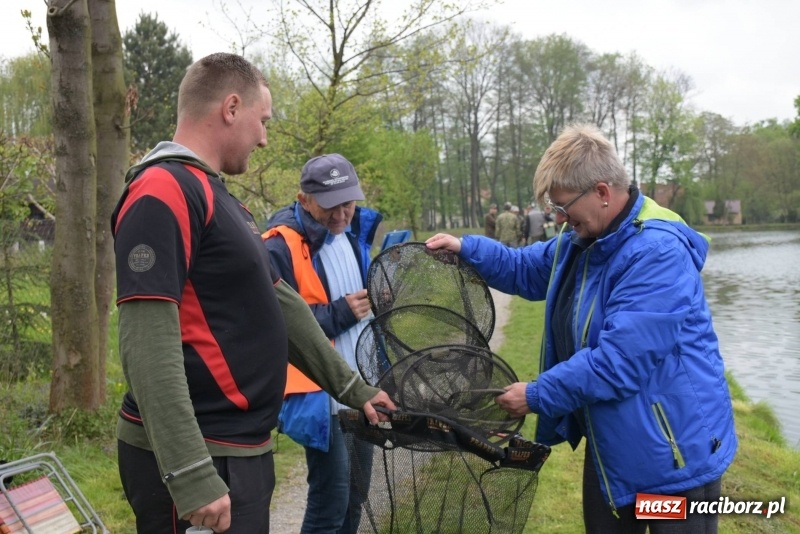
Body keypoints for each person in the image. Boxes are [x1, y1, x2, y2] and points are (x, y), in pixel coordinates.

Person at [111, 53, 394, 534]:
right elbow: (146, 338)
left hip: (237, 451)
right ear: (231, 107)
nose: (264, 137)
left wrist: (354, 390)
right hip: (203, 461)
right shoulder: (161, 190)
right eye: (262, 121)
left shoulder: (222, 200)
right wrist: (190, 472)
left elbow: (279, 302)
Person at [426, 123, 737, 533]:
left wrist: (538, 395)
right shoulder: (584, 239)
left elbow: (619, 360)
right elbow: (528, 268)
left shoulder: (657, 252)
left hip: (675, 458)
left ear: (603, 193)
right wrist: (466, 248)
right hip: (615, 446)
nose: (558, 217)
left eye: (562, 205)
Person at [263, 153, 380, 534]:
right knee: (329, 503)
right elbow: (276, 326)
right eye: (331, 205)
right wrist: (340, 314)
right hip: (322, 394)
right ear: (304, 199)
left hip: (362, 389)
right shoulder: (278, 246)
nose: (341, 214)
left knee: (356, 497)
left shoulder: (353, 234)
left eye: (348, 203)